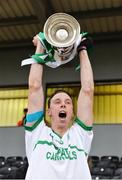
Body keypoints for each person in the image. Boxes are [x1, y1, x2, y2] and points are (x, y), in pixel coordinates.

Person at [24, 34, 94, 180]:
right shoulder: (37, 132)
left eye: (68, 102)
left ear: (72, 112)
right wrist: (41, 46)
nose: (63, 104)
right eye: (57, 102)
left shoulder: (80, 135)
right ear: (48, 111)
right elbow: (35, 87)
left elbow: (87, 90)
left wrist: (82, 48)